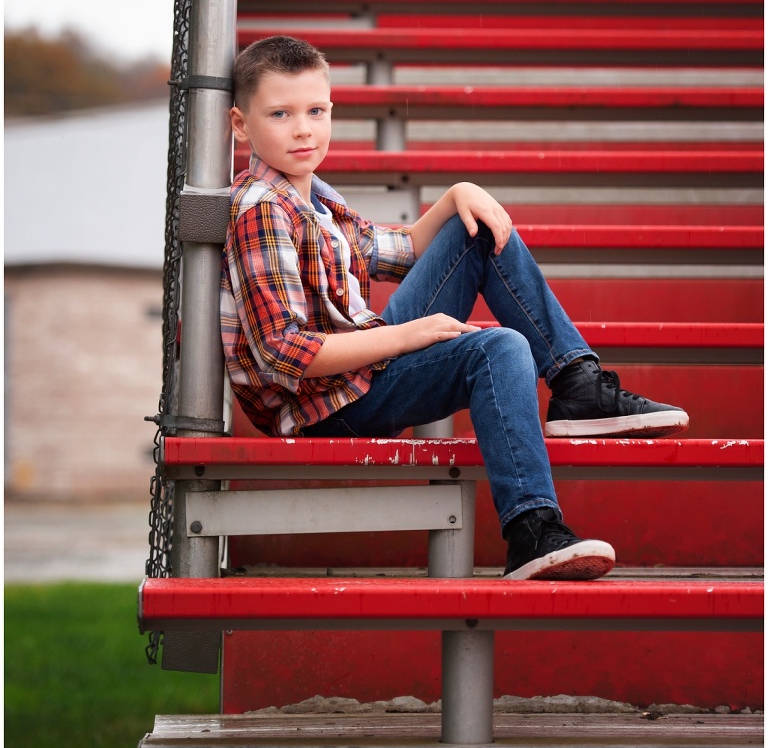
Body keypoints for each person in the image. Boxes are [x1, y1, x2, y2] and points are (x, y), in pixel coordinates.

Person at [221, 36, 689, 581]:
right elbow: (283, 352)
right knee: (498, 348)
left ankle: (577, 384)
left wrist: (457, 194)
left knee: (479, 228)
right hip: (327, 407)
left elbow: (397, 251)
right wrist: (410, 335)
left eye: (315, 111)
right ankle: (531, 529)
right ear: (240, 124)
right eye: (280, 113)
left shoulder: (315, 198)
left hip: (360, 374)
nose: (303, 128)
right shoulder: (261, 209)